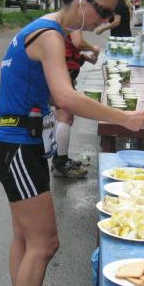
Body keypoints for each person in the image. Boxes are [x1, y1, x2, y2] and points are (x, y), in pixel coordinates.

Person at [0, 0, 144, 286]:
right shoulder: (49, 35)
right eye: (103, 11)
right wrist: (124, 118)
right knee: (45, 243)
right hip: (17, 146)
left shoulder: (45, 28)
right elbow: (65, 97)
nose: (104, 21)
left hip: (17, 143)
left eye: (112, 15)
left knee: (25, 239)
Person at [51, 29, 99, 178]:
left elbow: (69, 46)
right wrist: (93, 48)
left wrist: (84, 57)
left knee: (62, 116)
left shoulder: (65, 21)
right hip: (63, 71)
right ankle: (61, 164)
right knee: (65, 116)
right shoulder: (74, 22)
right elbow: (78, 43)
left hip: (63, 70)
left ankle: (59, 158)